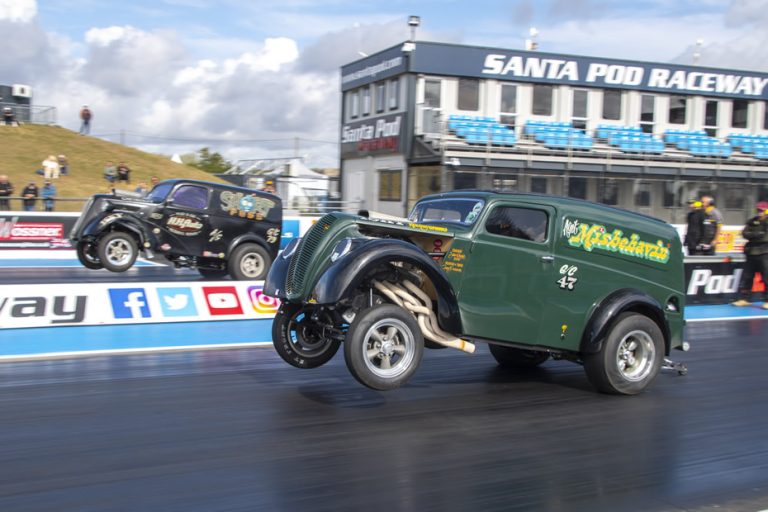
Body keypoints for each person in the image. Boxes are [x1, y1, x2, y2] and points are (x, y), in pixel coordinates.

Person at [731, 201, 768, 309]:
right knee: (747, 277)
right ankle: (744, 299)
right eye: (758, 210)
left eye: (761, 210)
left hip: (764, 253)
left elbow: (765, 237)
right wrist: (757, 235)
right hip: (751, 253)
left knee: (766, 277)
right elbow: (744, 233)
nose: (759, 212)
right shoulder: (752, 221)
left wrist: (753, 236)